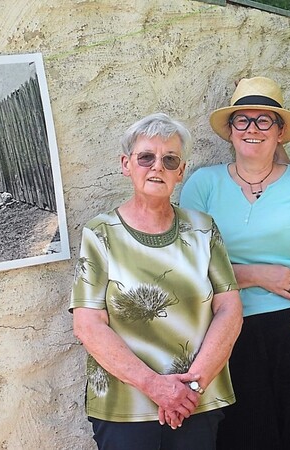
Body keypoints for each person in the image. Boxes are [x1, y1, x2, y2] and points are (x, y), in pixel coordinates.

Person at [179, 77, 290, 449]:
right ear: (230, 131)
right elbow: (187, 267)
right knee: (244, 436)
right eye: (243, 120)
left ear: (280, 133)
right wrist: (255, 275)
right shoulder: (203, 185)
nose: (253, 129)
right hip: (231, 332)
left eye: (264, 121)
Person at [70, 112, 243, 450]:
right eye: (146, 157)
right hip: (125, 406)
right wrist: (157, 387)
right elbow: (88, 325)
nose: (157, 167)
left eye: (170, 159)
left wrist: (190, 389)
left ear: (180, 171)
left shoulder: (203, 228)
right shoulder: (100, 233)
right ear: (126, 164)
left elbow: (229, 308)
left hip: (197, 400)